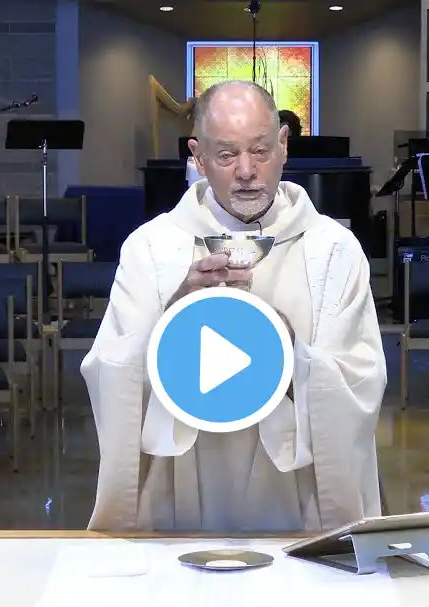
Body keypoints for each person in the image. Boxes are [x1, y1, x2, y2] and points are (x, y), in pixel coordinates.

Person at [81, 80, 385, 533]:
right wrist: (172, 320)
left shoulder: (333, 249)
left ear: (284, 144)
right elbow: (110, 368)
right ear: (198, 157)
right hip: (181, 492)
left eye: (260, 150)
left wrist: (288, 347)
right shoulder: (151, 248)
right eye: (226, 155)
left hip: (293, 496)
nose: (246, 171)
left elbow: (361, 377)